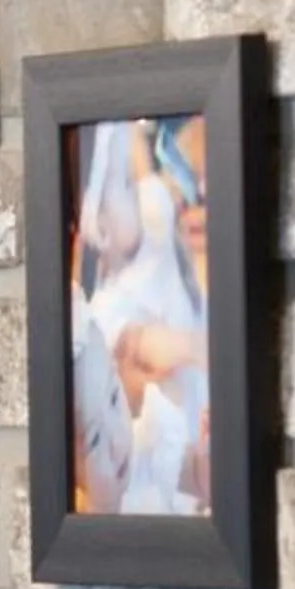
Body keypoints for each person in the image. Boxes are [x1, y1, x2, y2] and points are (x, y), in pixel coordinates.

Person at [69, 116, 211, 519]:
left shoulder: (152, 228)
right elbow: (144, 344)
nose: (117, 437)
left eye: (115, 401)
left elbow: (148, 181)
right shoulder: (109, 313)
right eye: (94, 440)